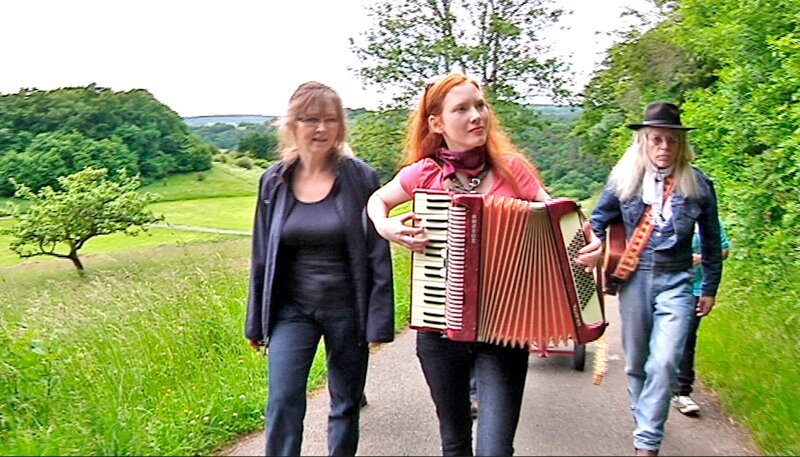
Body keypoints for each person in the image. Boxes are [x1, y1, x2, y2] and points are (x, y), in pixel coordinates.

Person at [366, 73, 602, 456]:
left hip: (504, 333)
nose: (477, 115)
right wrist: (385, 225)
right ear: (437, 123)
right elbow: (377, 200)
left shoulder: (513, 170)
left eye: (480, 105)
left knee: (495, 448)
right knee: (455, 443)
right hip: (440, 332)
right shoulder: (423, 174)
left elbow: (561, 220)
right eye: (462, 109)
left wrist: (588, 242)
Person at [245, 81, 395, 457]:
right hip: (292, 311)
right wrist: (255, 323)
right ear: (292, 125)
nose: (321, 129)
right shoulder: (273, 181)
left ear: (341, 126)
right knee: (282, 400)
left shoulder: (361, 178)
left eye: (330, 120)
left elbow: (378, 253)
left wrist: (378, 320)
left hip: (348, 309)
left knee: (345, 403)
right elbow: (262, 255)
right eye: (311, 119)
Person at [578, 101, 723, 456]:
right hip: (635, 279)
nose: (664, 148)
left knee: (665, 361)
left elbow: (712, 240)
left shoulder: (699, 184)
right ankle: (644, 417)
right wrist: (593, 247)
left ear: (681, 144)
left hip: (678, 280)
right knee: (636, 363)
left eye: (672, 141)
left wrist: (709, 287)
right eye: (657, 140)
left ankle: (647, 442)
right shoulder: (624, 181)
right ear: (644, 142)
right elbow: (597, 223)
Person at [671, 217, 730, 415]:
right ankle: (654, 381)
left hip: (695, 288)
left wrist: (700, 258)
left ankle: (681, 392)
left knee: (687, 337)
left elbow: (724, 250)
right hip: (663, 286)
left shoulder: (707, 217)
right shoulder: (658, 212)